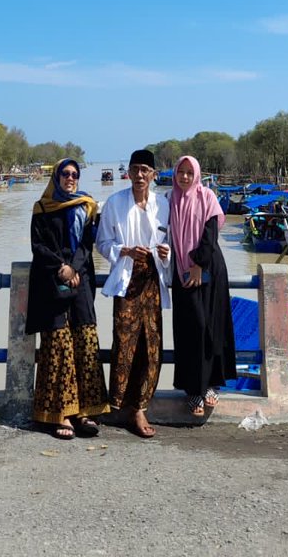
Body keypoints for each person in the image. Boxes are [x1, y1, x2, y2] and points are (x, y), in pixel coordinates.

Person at [25, 159, 109, 440]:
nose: (70, 178)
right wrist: (61, 267)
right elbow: (38, 245)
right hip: (52, 279)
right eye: (65, 174)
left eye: (75, 174)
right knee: (58, 343)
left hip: (81, 277)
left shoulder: (86, 206)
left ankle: (85, 410)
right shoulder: (42, 207)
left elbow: (88, 243)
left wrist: (74, 266)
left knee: (85, 340)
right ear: (56, 177)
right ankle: (60, 413)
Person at [96, 148, 171, 438]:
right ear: (128, 171)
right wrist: (124, 250)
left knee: (152, 347)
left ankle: (140, 407)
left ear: (153, 174)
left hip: (153, 279)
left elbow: (170, 245)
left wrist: (165, 253)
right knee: (125, 343)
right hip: (127, 281)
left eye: (145, 170)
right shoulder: (114, 204)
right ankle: (119, 403)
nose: (139, 175)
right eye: (135, 169)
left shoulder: (162, 205)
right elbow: (103, 243)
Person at [169, 155, 237, 416]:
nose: (184, 177)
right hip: (181, 272)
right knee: (189, 329)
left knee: (210, 326)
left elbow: (210, 234)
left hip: (208, 269)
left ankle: (210, 385)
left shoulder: (207, 196)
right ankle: (192, 390)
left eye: (189, 172)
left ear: (196, 174)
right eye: (181, 172)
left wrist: (198, 263)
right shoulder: (170, 200)